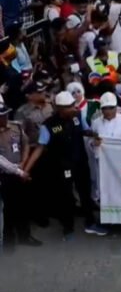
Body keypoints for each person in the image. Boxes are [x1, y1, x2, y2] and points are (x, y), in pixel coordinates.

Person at [24, 92, 107, 238]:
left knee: (85, 193)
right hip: (63, 166)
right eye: (69, 107)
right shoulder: (48, 126)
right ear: (60, 109)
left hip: (80, 162)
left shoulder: (78, 116)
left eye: (73, 105)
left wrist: (94, 134)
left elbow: (84, 129)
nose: (73, 108)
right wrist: (26, 169)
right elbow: (40, 147)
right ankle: (68, 227)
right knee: (66, 196)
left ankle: (90, 223)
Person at [0, 104, 40, 249]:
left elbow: (26, 143)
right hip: (4, 176)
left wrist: (23, 162)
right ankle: (8, 241)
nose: (4, 118)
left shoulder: (16, 126)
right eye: (1, 116)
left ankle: (24, 236)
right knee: (7, 210)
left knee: (23, 206)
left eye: (5, 115)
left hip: (20, 170)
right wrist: (19, 171)